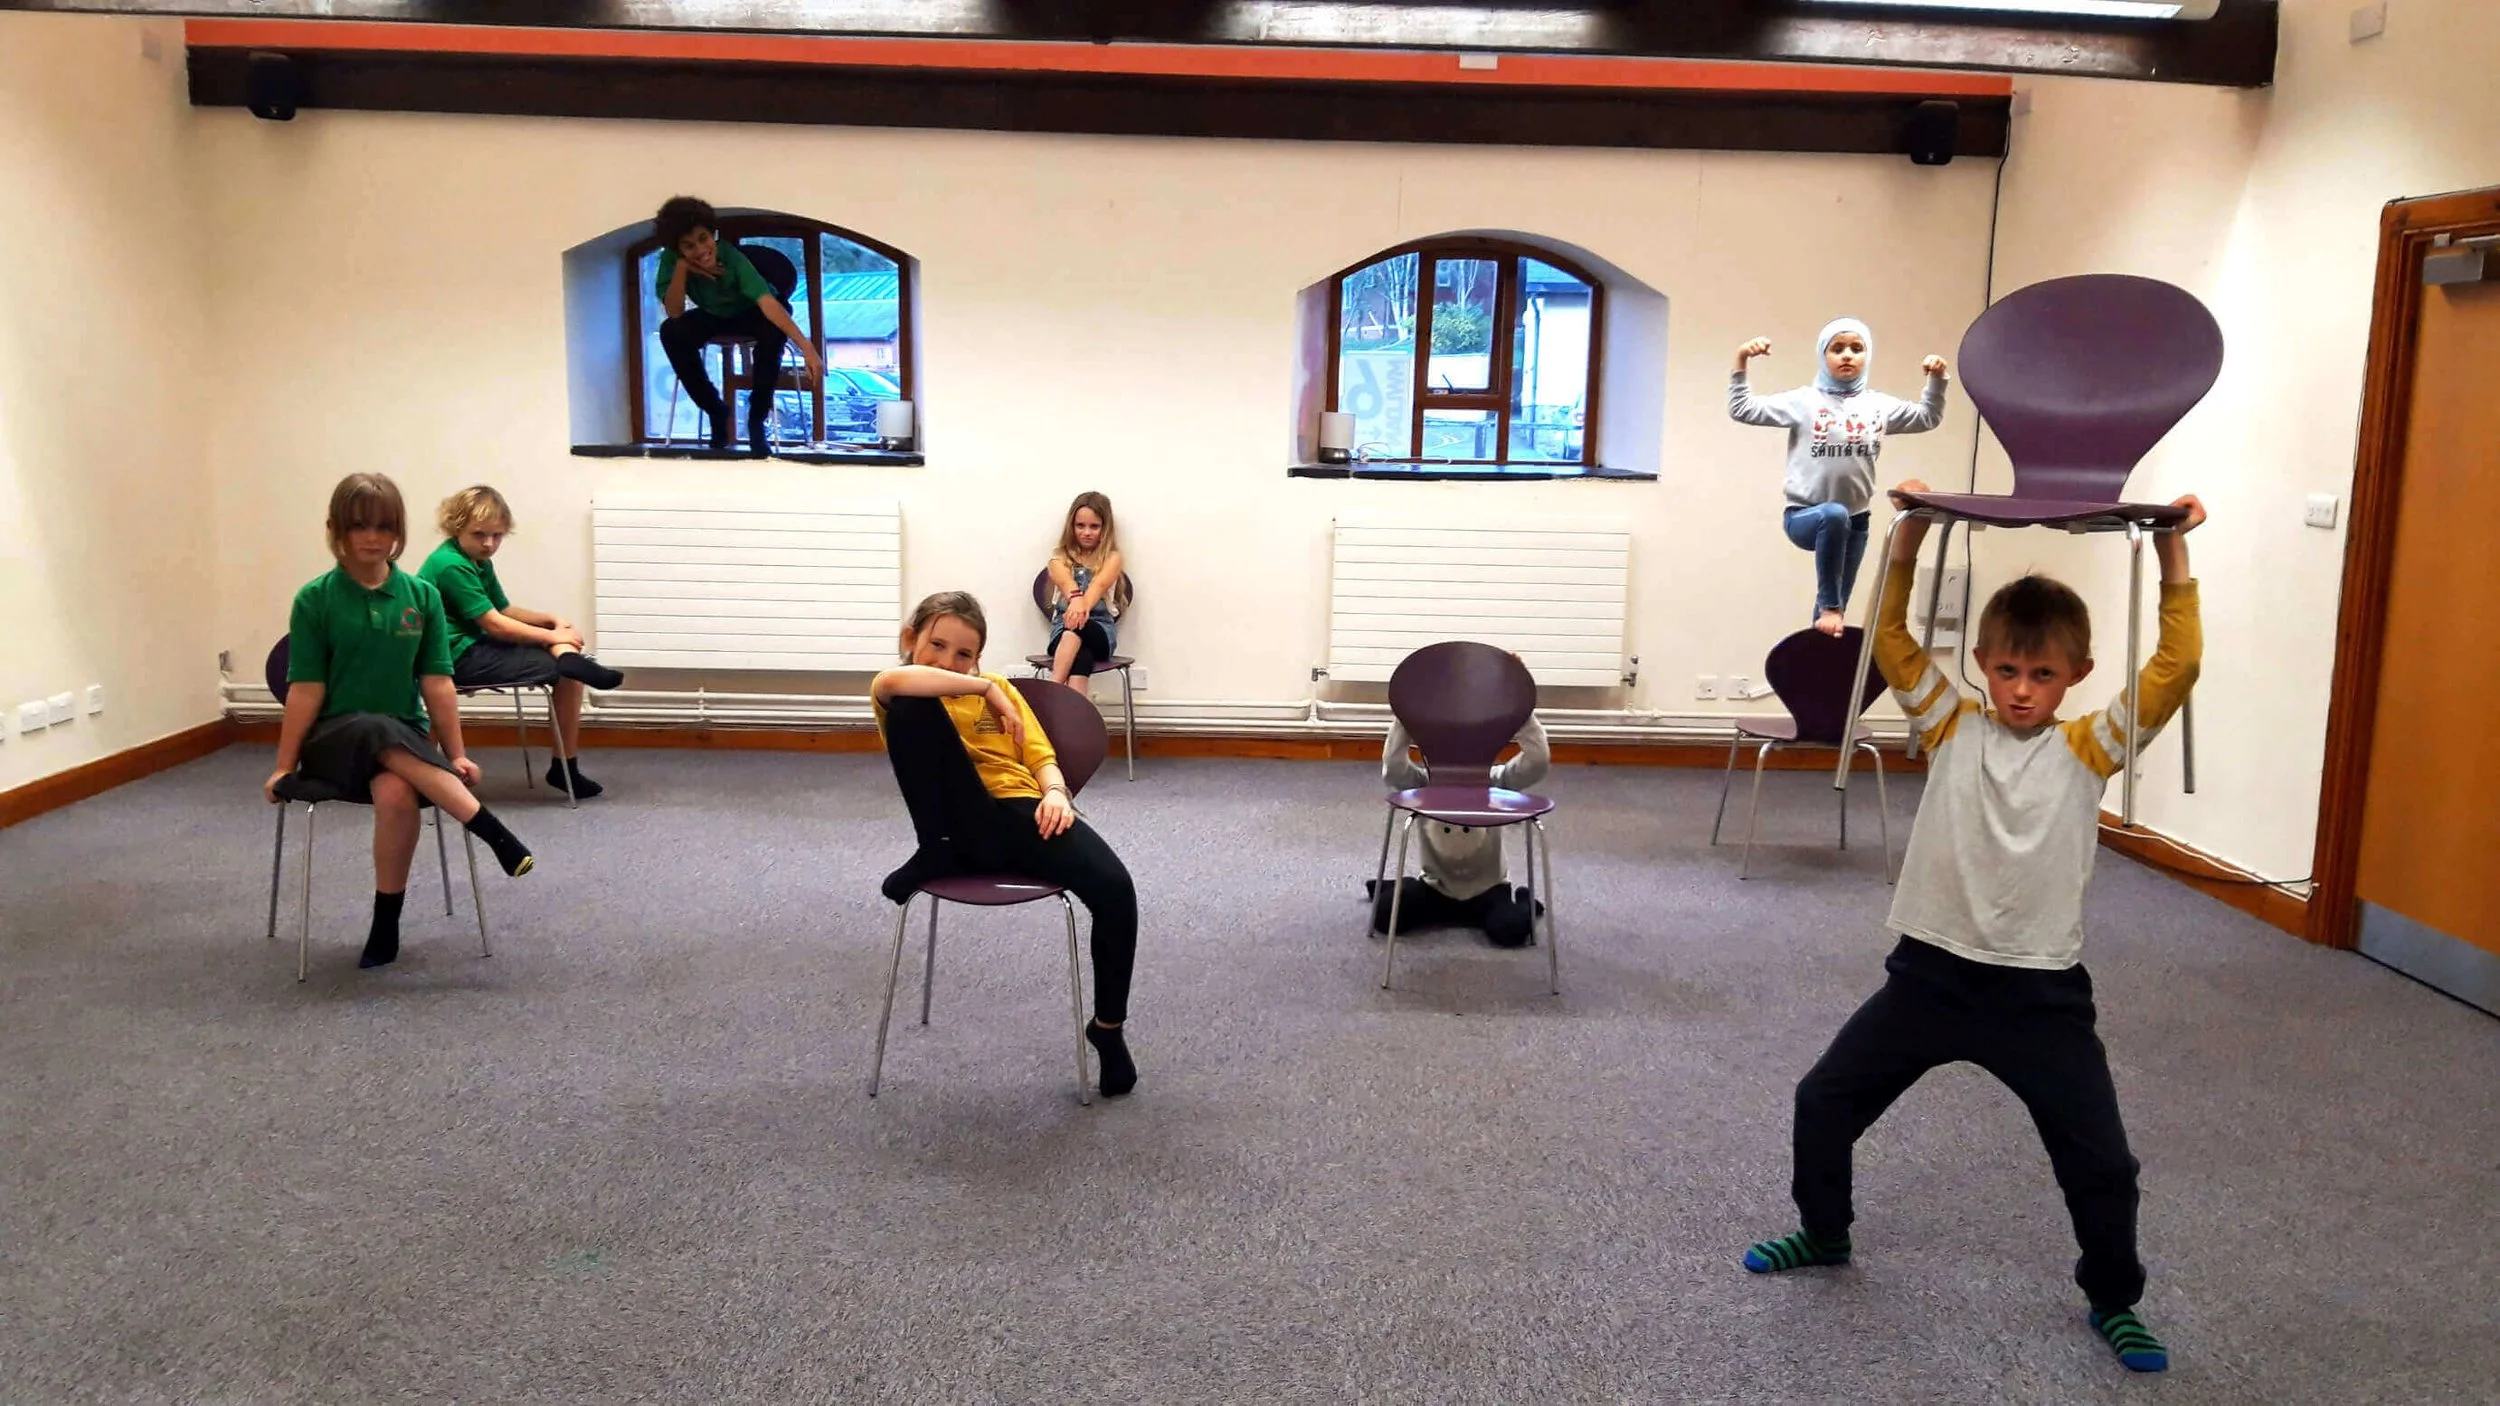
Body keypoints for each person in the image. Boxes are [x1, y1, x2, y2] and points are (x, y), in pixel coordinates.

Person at [1740, 477, 2206, 1376]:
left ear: (2077, 675)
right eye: (2006, 669)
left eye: (2042, 674)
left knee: (2104, 1166)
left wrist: (2175, 549)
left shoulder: (2090, 747)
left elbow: (2174, 669)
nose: (2021, 690)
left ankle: (2114, 1300)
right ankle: (1825, 1234)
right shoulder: (1950, 726)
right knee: (1822, 1102)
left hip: (2039, 995)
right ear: (1984, 663)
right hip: (1929, 977)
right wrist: (1908, 533)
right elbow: (1891, 638)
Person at [870, 591, 1141, 1097]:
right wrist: (980, 688)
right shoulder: (913, 689)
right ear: (910, 640)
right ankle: (945, 848)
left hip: (1020, 813)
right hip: (951, 817)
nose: (948, 661)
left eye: (964, 654)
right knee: (913, 703)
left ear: (979, 657)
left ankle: (1107, 1031)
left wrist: (1056, 794)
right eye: (937, 645)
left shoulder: (997, 688)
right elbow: (891, 682)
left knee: (1115, 889)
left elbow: (1039, 755)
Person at [266, 473, 537, 970]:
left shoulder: (422, 596)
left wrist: (456, 752)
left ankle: (385, 924)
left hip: (404, 743)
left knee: (394, 791)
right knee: (371, 724)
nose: (373, 537)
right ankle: (491, 829)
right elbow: (305, 689)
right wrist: (283, 766)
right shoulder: (314, 599)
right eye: (360, 526)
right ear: (335, 530)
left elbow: (437, 682)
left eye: (385, 526)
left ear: (399, 531)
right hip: (334, 741)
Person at [1730, 320, 1950, 636]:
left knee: (1831, 621)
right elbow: (1741, 408)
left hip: (1856, 522)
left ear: (1867, 355)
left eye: (1856, 349)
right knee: (1834, 516)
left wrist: (1937, 380)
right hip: (1805, 517)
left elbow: (1927, 417)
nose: (1847, 355)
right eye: (1837, 349)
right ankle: (1830, 606)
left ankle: (1818, 663)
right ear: (1824, 355)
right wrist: (1741, 359)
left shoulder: (1878, 405)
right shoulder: (1804, 402)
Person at [417, 485, 628, 800]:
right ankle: (564, 765)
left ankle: (567, 659)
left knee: (563, 648)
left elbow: (503, 608)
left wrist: (551, 621)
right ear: (456, 526)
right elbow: (493, 624)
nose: (489, 543)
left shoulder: (476, 559)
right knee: (567, 671)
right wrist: (553, 636)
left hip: (473, 645)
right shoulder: (451, 565)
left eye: (497, 535)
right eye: (479, 534)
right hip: (454, 657)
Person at [651, 195, 827, 454]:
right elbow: (675, 311)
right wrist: (682, 268)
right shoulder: (672, 260)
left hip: (754, 310)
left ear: (713, 234)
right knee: (671, 332)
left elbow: (767, 303)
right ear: (678, 250)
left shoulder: (732, 258)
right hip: (716, 313)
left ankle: (757, 421)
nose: (701, 250)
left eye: (704, 239)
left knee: (772, 330)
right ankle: (716, 410)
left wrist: (807, 348)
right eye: (689, 247)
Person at [1366, 713, 1549, 948]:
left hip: (1489, 891)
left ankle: (1526, 902)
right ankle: (1398, 885)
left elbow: (1537, 762)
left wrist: (1521, 714)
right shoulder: (1424, 785)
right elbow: (1393, 768)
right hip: (1436, 888)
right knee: (1385, 917)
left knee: (1510, 931)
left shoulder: (1495, 783)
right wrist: (1405, 716)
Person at [1043, 491, 1125, 698]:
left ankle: (1053, 691)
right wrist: (1075, 599)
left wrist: (1080, 605)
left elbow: (1098, 586)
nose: (1086, 532)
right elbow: (1065, 581)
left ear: (1105, 529)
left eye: (1094, 527)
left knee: (1077, 625)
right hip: (1062, 633)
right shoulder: (1058, 559)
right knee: (1081, 655)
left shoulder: (1113, 558)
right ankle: (1077, 720)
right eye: (1080, 526)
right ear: (1071, 526)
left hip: (1100, 632)